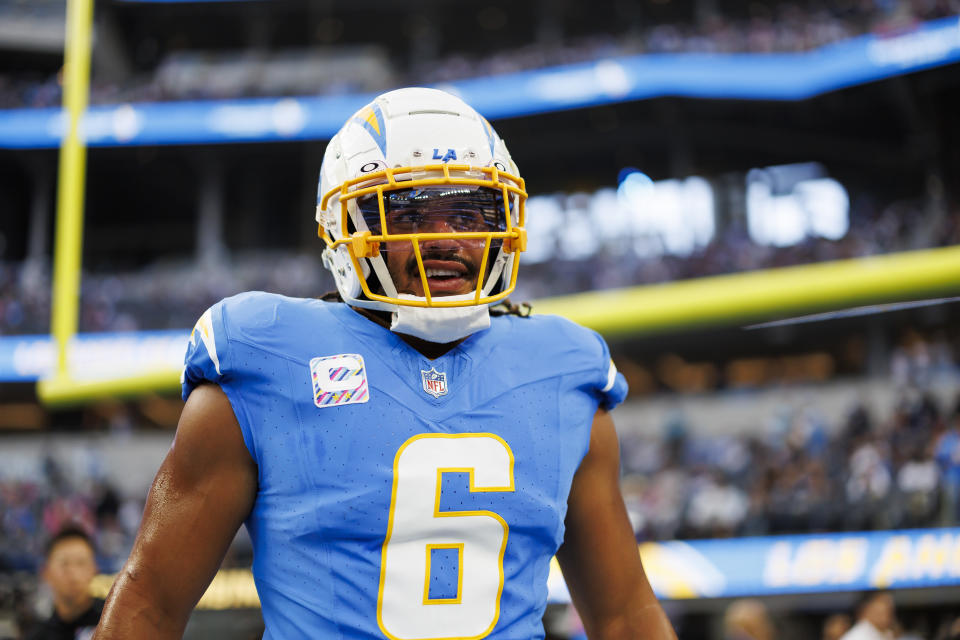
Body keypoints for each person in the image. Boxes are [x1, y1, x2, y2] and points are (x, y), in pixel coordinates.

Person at [93, 87, 677, 639]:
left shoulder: (562, 371)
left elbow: (625, 615)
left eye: (470, 214)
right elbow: (150, 601)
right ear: (347, 228)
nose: (446, 239)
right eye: (412, 214)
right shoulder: (265, 359)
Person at [27, 525, 103, 640]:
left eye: (81, 563)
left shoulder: (114, 619)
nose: (73, 573)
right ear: (46, 573)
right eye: (64, 564)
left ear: (95, 570)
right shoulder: (38, 635)